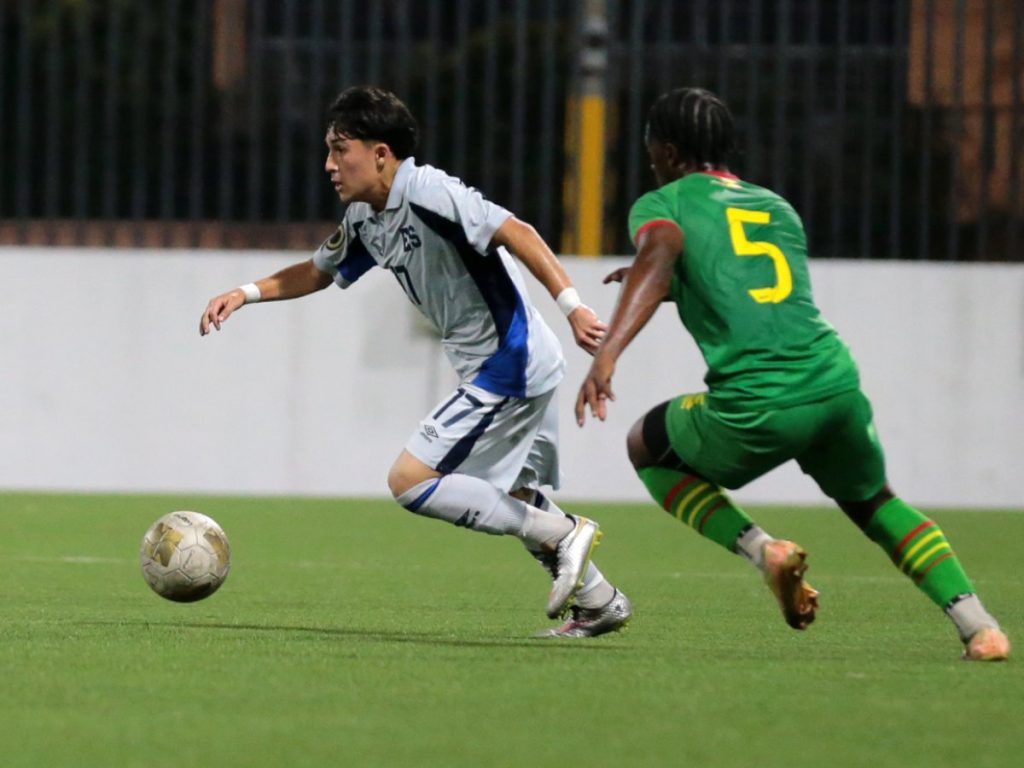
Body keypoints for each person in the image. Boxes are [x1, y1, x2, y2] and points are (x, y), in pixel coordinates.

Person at [575, 86, 1010, 660]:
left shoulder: (665, 202)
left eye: (652, 148)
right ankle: (980, 626)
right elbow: (747, 285)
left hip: (760, 404)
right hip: (834, 387)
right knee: (876, 504)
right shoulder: (775, 207)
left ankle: (765, 552)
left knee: (646, 446)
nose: (651, 159)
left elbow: (662, 251)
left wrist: (609, 353)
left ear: (671, 151)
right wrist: (668, 280)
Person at [200, 85, 631, 637]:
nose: (329, 165)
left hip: (510, 360)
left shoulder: (429, 191)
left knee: (411, 480)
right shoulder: (365, 216)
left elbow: (515, 231)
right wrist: (246, 292)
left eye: (340, 149)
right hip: (505, 364)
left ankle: (565, 533)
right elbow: (318, 270)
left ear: (381, 153)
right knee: (516, 496)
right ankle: (599, 601)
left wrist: (572, 305)